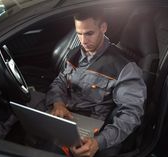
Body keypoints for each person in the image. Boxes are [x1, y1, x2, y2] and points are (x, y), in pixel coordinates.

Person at [44, 9, 147, 157]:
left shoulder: (124, 68)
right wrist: (58, 103)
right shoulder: (74, 53)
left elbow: (131, 115)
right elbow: (60, 81)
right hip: (64, 117)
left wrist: (99, 142)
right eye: (79, 34)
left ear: (103, 28)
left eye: (89, 33)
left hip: (89, 129)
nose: (83, 41)